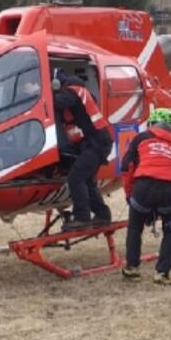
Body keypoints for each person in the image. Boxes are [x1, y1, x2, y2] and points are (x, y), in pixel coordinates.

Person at [120, 108, 171, 285]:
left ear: (151, 124)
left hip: (142, 187)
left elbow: (127, 167)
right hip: (169, 190)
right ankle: (162, 273)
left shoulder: (140, 139)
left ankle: (132, 268)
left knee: (135, 228)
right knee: (170, 232)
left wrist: (129, 194)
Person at [52, 69, 113, 230]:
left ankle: (82, 218)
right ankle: (102, 215)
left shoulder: (72, 92)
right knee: (87, 180)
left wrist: (39, 92)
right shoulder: (83, 91)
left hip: (96, 142)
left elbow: (55, 102)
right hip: (100, 141)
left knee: (75, 178)